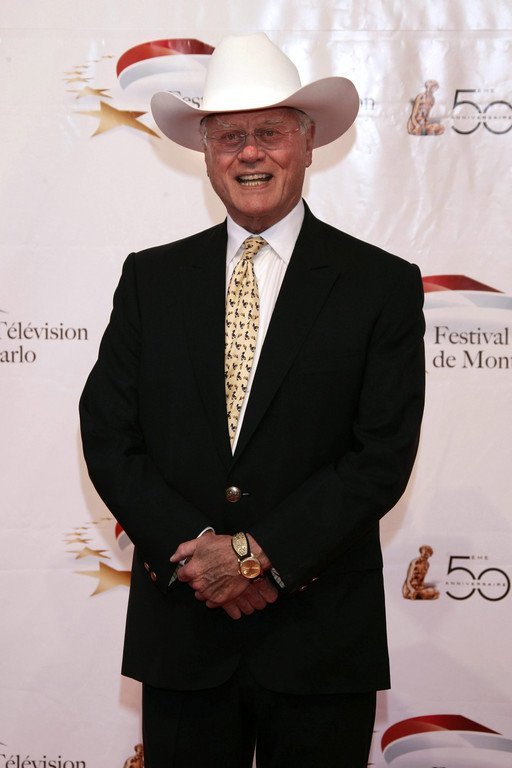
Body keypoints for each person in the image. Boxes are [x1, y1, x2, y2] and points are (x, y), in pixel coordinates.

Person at [80, 32, 425, 768]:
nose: (249, 153)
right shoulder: (150, 280)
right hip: (184, 637)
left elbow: (381, 455)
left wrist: (254, 556)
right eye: (229, 136)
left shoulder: (381, 285)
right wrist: (199, 558)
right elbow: (108, 433)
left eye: (270, 132)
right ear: (206, 153)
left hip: (321, 640)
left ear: (308, 143)